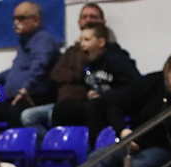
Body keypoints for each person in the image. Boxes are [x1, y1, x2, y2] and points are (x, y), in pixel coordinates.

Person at [20, 2, 115, 139]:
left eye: (93, 17)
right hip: (60, 102)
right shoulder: (71, 50)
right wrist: (74, 73)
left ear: (102, 21)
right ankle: (50, 145)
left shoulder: (103, 52)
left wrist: (73, 72)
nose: (88, 20)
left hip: (81, 103)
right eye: (84, 17)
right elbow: (56, 74)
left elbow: (84, 73)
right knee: (28, 116)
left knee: (60, 112)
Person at [49, 22, 139, 141]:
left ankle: (96, 148)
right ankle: (63, 147)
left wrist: (106, 95)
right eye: (81, 40)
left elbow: (135, 85)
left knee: (94, 106)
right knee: (62, 108)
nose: (82, 45)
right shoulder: (90, 61)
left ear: (101, 42)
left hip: (118, 103)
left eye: (87, 40)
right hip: (97, 102)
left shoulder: (117, 59)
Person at [0, 2, 61, 128]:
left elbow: (40, 66)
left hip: (33, 99)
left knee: (13, 113)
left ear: (36, 20)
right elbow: (16, 70)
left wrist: (26, 88)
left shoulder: (44, 40)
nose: (15, 22)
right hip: (16, 99)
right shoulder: (24, 41)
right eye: (14, 18)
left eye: (21, 18)